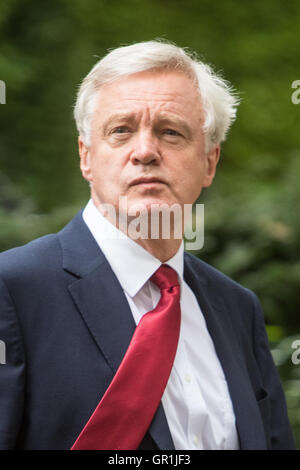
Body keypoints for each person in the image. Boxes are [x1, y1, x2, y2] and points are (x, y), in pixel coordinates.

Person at [0, 40, 295, 450]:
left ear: (209, 162)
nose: (144, 152)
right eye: (121, 131)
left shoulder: (237, 308)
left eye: (170, 132)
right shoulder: (12, 289)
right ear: (86, 156)